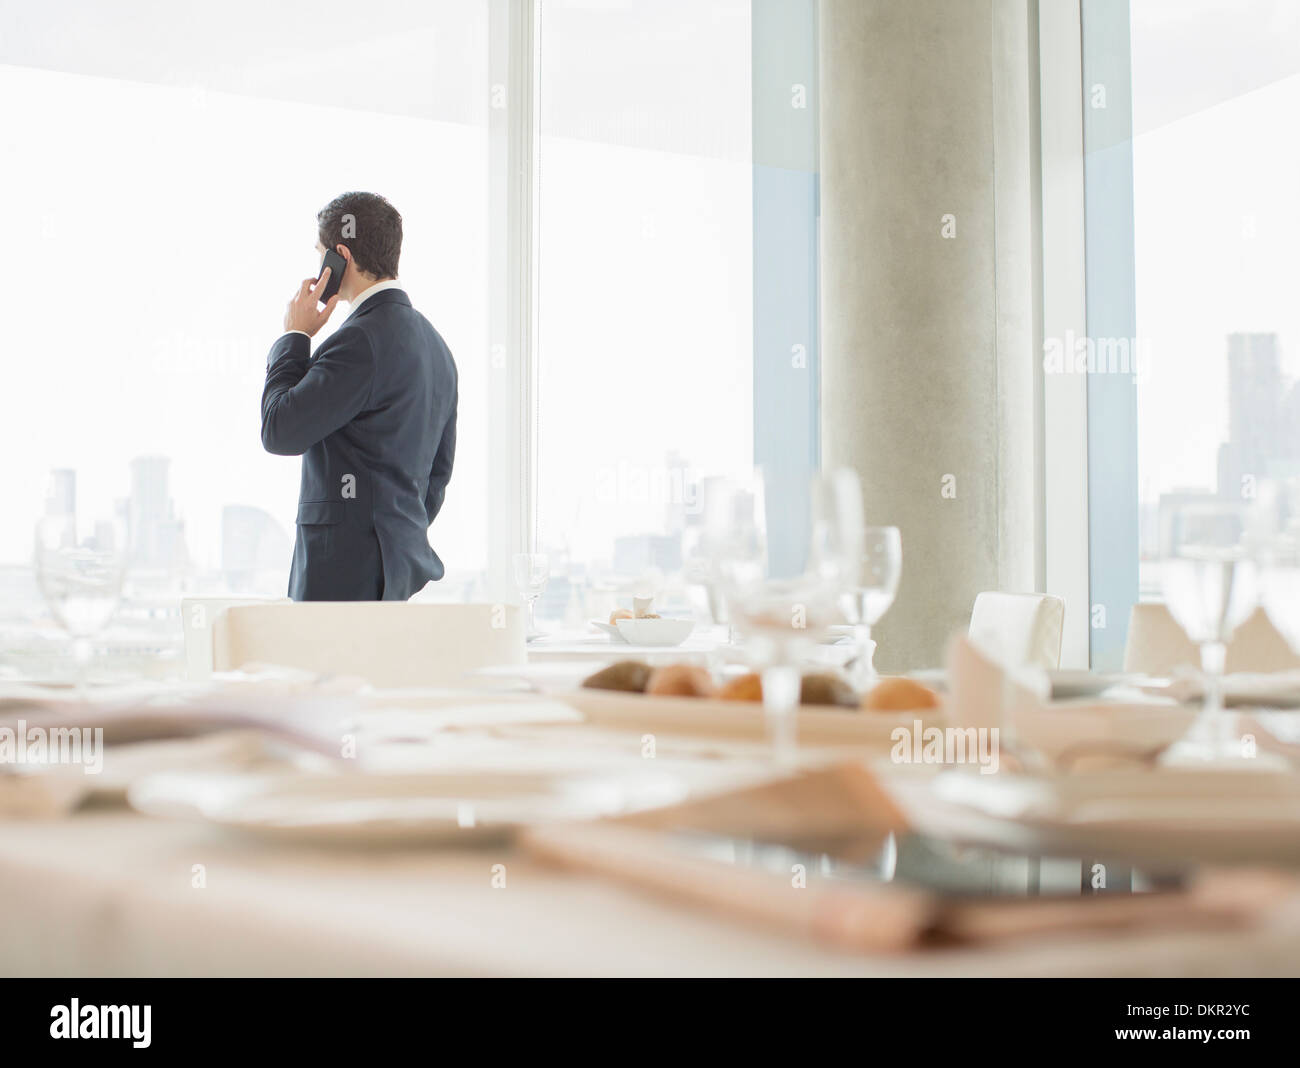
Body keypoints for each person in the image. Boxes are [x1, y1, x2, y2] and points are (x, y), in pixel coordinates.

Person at [261, 192, 457, 601]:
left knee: (330, 670)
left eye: (321, 255)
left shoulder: (358, 341)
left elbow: (279, 430)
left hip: (343, 577)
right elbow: (435, 478)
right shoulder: (437, 348)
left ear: (341, 257)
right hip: (399, 574)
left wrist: (295, 337)